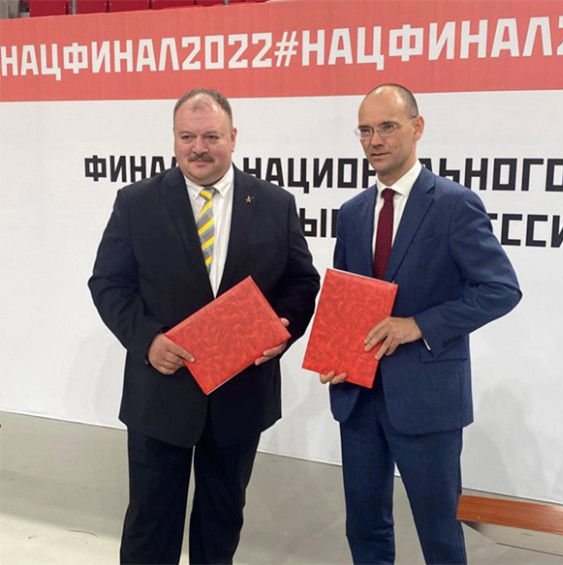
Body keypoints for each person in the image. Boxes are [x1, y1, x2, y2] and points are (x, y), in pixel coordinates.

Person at [88, 88, 320, 564]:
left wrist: (284, 326)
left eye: (211, 136)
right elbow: (108, 283)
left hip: (241, 394)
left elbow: (301, 281)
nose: (199, 148)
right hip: (162, 392)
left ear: (232, 137)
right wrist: (147, 340)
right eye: (187, 137)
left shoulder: (275, 203)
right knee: (150, 527)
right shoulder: (136, 203)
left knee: (221, 524)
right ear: (174, 139)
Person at [319, 84, 522, 564]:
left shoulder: (453, 204)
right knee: (365, 529)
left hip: (427, 399)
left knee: (440, 535)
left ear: (417, 128)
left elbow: (501, 289)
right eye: (365, 130)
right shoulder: (352, 213)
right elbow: (347, 297)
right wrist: (335, 353)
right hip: (358, 396)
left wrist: (418, 325)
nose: (375, 141)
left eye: (387, 127)